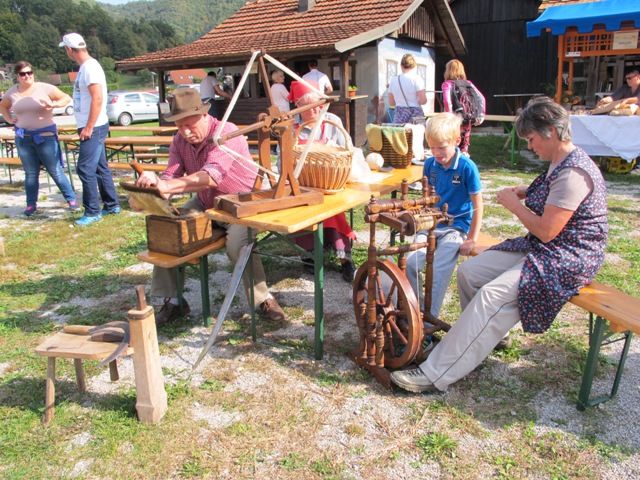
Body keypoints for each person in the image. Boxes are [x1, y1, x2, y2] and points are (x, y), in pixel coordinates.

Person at [391, 97, 608, 394]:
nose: (530, 146)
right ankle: (485, 337)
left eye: (531, 139)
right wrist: (524, 190)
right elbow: (550, 198)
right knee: (471, 273)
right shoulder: (560, 161)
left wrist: (514, 206)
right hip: (546, 248)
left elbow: (547, 231)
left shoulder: (574, 173)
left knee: (492, 296)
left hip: (567, 257)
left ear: (551, 133)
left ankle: (434, 373)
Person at [134, 88, 285, 324]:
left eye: (189, 124)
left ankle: (262, 299)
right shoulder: (179, 140)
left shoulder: (227, 133)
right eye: (178, 125)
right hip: (206, 201)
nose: (184, 131)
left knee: (237, 244)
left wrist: (167, 186)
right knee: (169, 231)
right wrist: (153, 185)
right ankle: (174, 301)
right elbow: (171, 174)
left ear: (205, 115)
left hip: (241, 203)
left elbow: (211, 176)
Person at [405, 113, 483, 321]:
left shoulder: (467, 168)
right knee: (410, 262)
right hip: (430, 224)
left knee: (439, 271)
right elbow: (427, 196)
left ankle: (429, 318)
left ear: (457, 141)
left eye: (441, 147)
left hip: (456, 228)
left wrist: (471, 238)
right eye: (432, 147)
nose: (436, 153)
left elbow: (478, 205)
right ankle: (414, 311)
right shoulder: (430, 164)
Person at [0, 61, 78, 216]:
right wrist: (9, 119)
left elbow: (66, 98)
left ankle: (72, 201)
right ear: (17, 76)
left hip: (45, 137)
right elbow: (3, 105)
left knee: (55, 170)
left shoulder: (44, 88)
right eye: (23, 74)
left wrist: (53, 104)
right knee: (30, 173)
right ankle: (31, 205)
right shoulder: (12, 92)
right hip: (23, 138)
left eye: (29, 73)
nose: (27, 76)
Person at [293, 90, 356, 282]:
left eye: (319, 104)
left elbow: (346, 148)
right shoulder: (293, 127)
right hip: (303, 182)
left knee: (334, 209)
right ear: (299, 107)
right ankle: (309, 255)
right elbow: (283, 158)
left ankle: (344, 257)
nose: (318, 109)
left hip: (330, 181)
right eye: (311, 107)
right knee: (301, 209)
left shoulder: (331, 121)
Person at [59, 32, 120, 226]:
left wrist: (89, 127)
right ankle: (111, 205)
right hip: (92, 125)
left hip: (93, 127)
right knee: (101, 167)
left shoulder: (90, 68)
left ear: (69, 50)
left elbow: (98, 98)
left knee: (84, 168)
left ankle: (93, 211)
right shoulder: (87, 67)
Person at [442, 59, 484, 153]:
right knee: (464, 146)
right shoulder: (469, 84)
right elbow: (481, 98)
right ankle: (463, 162)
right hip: (468, 120)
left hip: (455, 120)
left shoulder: (447, 84)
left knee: (452, 146)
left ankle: (453, 166)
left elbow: (447, 101)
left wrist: (450, 118)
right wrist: (481, 115)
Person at [388, 53, 427, 124]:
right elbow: (423, 101)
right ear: (414, 65)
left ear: (401, 65)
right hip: (416, 115)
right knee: (418, 134)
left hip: (399, 114)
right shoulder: (417, 79)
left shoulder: (393, 80)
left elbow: (391, 103)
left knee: (399, 134)